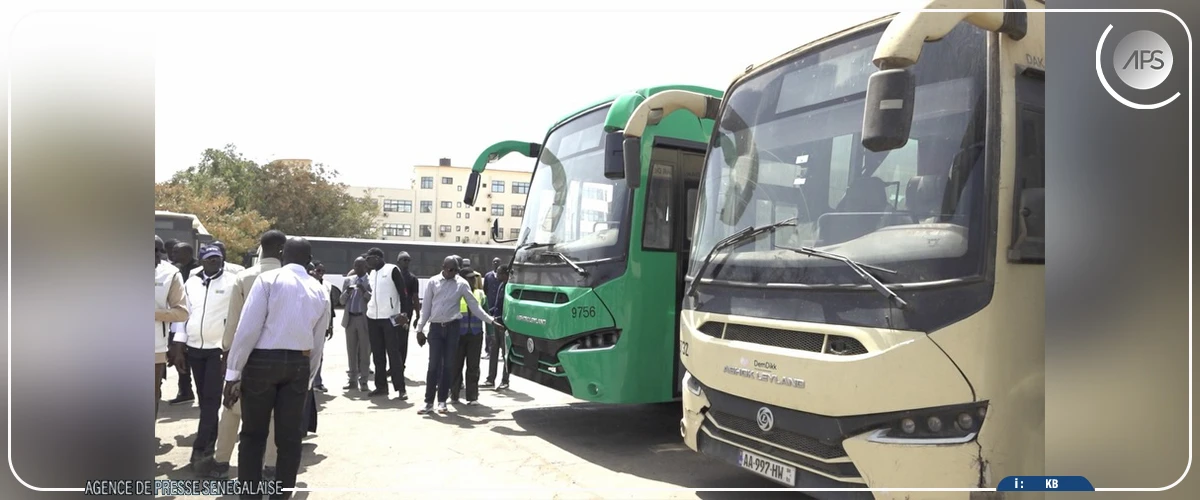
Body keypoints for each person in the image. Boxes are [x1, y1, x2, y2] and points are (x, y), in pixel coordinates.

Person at [223, 237, 330, 499]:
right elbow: (317, 344)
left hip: (261, 363)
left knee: (252, 435)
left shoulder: (268, 280)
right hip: (297, 366)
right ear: (309, 259)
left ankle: (250, 495)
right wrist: (308, 379)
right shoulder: (319, 289)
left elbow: (248, 330)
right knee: (289, 439)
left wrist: (233, 373)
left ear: (283, 255)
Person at [204, 230, 286, 480]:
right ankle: (271, 466)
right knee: (274, 413)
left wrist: (227, 353)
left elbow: (233, 322)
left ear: (260, 248)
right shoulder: (290, 279)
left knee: (232, 408)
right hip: (278, 355)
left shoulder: (244, 277)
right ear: (282, 249)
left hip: (243, 354)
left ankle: (221, 462)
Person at [169, 245, 237, 468]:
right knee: (204, 398)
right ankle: (208, 444)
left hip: (217, 349)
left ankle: (201, 448)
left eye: (217, 259)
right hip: (194, 348)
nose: (214, 263)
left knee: (211, 399)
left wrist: (230, 348)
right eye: (209, 260)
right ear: (202, 260)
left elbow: (236, 315)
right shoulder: (192, 281)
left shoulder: (231, 281)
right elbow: (183, 313)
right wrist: (178, 345)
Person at [414, 256, 500, 415]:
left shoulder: (461, 284)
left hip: (453, 328)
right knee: (433, 366)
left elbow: (475, 307)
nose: (453, 273)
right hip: (436, 329)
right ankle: (428, 402)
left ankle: (442, 401)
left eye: (456, 270)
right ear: (443, 267)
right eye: (451, 270)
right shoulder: (433, 282)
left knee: (448, 366)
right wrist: (419, 330)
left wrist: (491, 321)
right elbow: (425, 308)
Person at [364, 248, 412, 399]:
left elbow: (403, 293)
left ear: (377, 258)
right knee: (378, 355)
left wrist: (404, 314)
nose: (367, 262)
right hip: (373, 318)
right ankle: (381, 387)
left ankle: (401, 388)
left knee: (394, 354)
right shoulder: (372, 273)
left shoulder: (392, 269)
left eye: (369, 258)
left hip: (390, 319)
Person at [154, 236, 189, 419]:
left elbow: (182, 313)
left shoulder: (170, 274)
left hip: (155, 348)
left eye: (158, 251)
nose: (156, 256)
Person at [168, 242, 200, 406]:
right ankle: (185, 390)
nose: (172, 254)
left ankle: (192, 391)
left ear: (187, 253)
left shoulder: (198, 269)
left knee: (192, 359)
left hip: (194, 322)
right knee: (179, 356)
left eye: (176, 251)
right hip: (178, 320)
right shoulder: (176, 269)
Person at [450, 270, 487, 405]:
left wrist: (492, 334)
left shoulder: (480, 294)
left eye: (473, 279)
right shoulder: (455, 293)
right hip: (458, 335)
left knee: (473, 366)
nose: (472, 281)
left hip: (476, 335)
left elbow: (486, 313)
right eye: (469, 279)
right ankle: (454, 395)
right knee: (456, 366)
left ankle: (472, 397)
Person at [340, 256, 372, 392]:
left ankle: (364, 380)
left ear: (365, 267)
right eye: (355, 265)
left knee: (365, 351)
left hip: (363, 319)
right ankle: (352, 379)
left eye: (360, 266)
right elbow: (341, 301)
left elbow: (372, 300)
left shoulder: (371, 281)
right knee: (351, 350)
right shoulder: (349, 280)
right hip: (350, 319)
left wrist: (363, 290)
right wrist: (347, 292)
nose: (357, 268)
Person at [307, 261, 335, 392]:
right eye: (318, 271)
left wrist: (330, 326)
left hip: (322, 326)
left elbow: (330, 308)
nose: (320, 274)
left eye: (323, 272)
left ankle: (317, 382)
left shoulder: (327, 285)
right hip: (307, 327)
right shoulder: (305, 285)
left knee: (319, 355)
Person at [484, 265, 511, 390]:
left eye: (499, 274)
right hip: (496, 323)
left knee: (505, 354)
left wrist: (503, 321)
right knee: (493, 351)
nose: (497, 276)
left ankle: (505, 380)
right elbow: (497, 305)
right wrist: (489, 314)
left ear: (505, 274)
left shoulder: (510, 287)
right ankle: (490, 379)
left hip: (505, 326)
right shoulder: (501, 285)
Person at [481, 258, 503, 359]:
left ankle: (502, 352)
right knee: (489, 329)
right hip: (489, 306)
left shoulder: (501, 277)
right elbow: (485, 290)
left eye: (497, 262)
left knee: (500, 330)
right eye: (494, 262)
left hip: (500, 307)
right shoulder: (488, 276)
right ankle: (488, 350)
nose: (495, 263)